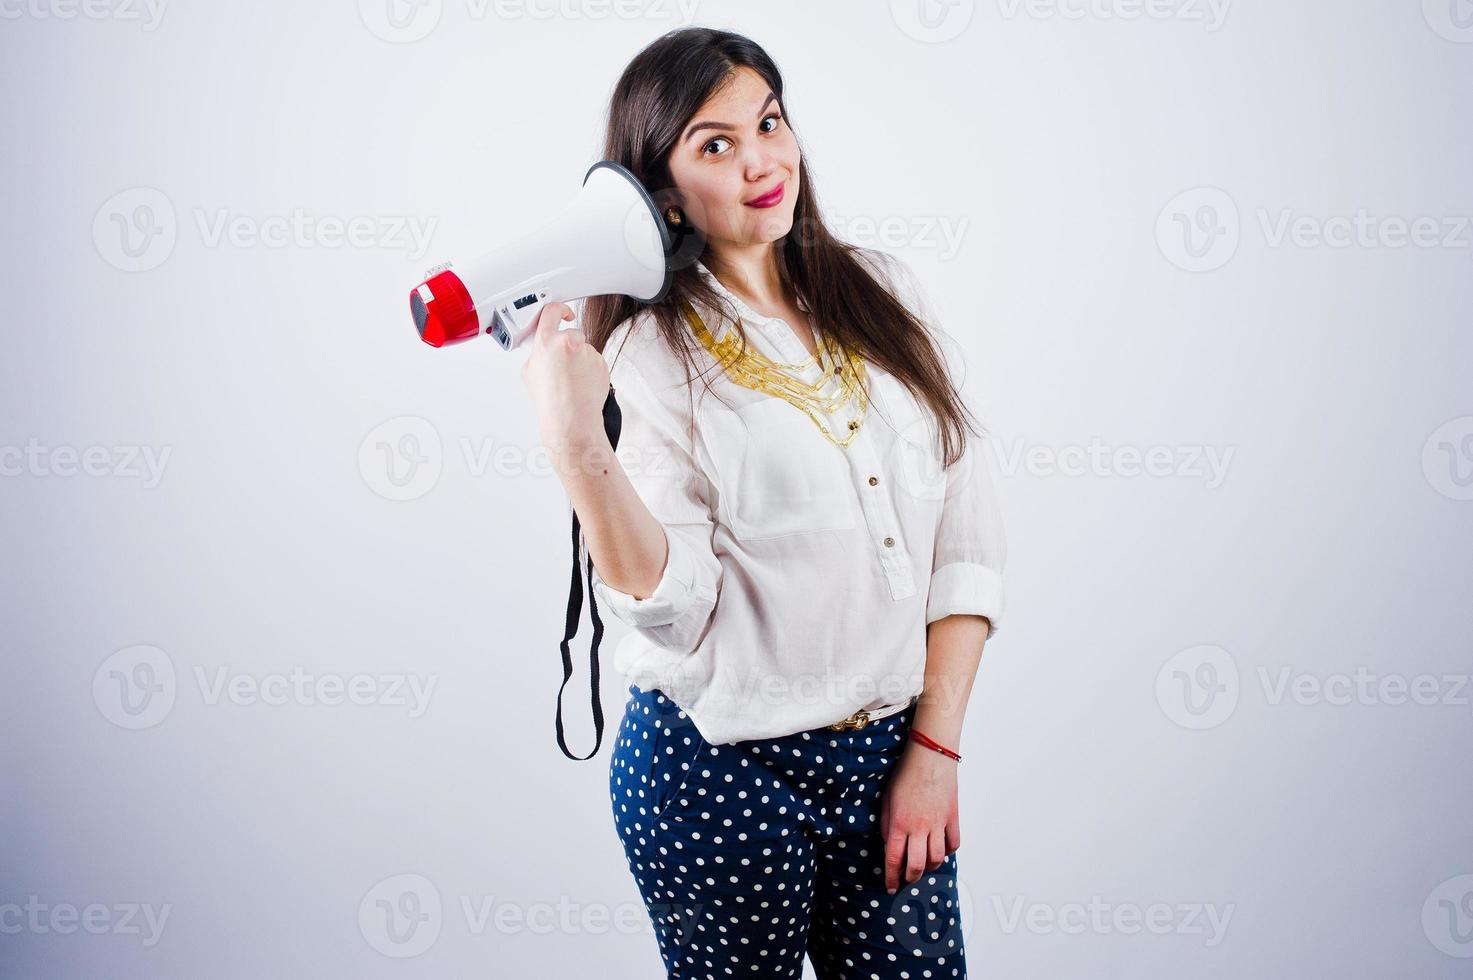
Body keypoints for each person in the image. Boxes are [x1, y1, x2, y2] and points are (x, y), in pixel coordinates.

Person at [520, 27, 1005, 980]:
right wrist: (579, 448)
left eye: (768, 123)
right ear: (656, 194)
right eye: (715, 143)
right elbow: (674, 609)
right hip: (717, 775)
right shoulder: (646, 358)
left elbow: (967, 540)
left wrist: (933, 747)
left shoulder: (884, 295)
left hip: (887, 756)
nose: (761, 162)